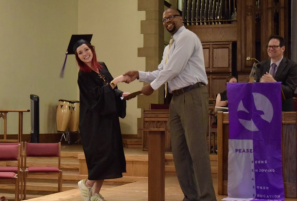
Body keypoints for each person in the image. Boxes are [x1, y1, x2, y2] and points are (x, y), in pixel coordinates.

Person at [124, 8, 216, 201]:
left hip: (192, 95)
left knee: (197, 150)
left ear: (181, 18)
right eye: (164, 19)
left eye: (171, 17)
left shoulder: (187, 38)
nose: (167, 21)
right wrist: (139, 75)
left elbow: (174, 69)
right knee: (179, 151)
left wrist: (152, 87)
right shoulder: (168, 47)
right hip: (175, 98)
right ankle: (191, 196)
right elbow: (161, 71)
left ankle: (207, 197)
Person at [65, 35, 130, 201]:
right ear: (78, 57)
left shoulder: (102, 67)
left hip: (108, 118)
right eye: (80, 52)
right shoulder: (83, 75)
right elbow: (96, 96)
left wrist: (121, 94)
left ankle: (95, 195)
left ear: (91, 49)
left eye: (86, 49)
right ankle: (87, 184)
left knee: (110, 154)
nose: (85, 53)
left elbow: (109, 89)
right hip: (93, 122)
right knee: (102, 156)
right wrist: (115, 83)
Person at [255, 35, 297, 111]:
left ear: (283, 48)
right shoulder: (261, 65)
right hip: (264, 109)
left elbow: (290, 90)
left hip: (283, 109)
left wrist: (274, 83)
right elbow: (254, 87)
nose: (271, 49)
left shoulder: (292, 66)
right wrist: (260, 84)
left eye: (274, 46)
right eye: (269, 46)